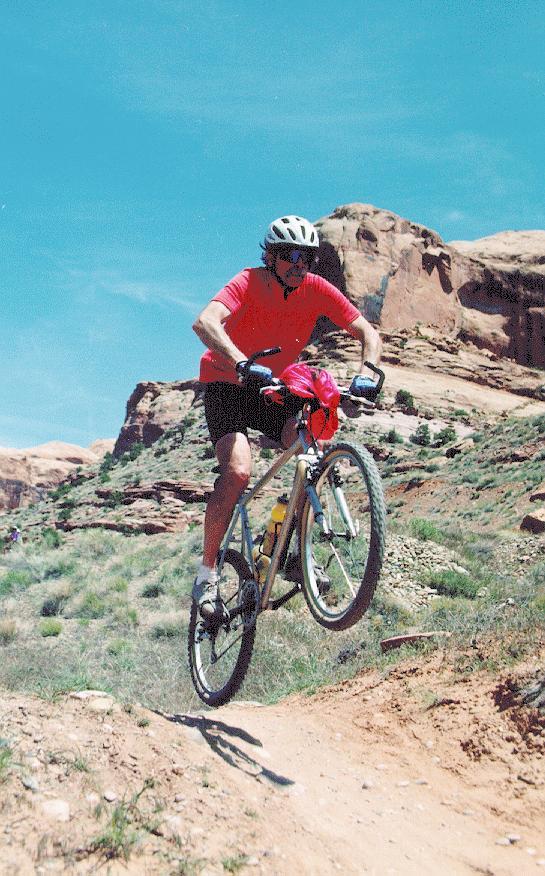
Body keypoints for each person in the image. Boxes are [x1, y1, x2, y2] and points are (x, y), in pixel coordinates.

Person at [192, 214, 382, 620]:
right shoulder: (249, 281)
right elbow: (205, 321)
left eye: (307, 257)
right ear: (272, 256)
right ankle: (207, 574)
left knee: (312, 447)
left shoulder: (316, 289)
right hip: (229, 383)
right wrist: (241, 362)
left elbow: (368, 332)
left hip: (271, 389)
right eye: (290, 255)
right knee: (239, 472)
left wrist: (367, 372)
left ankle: (291, 544)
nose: (300, 264)